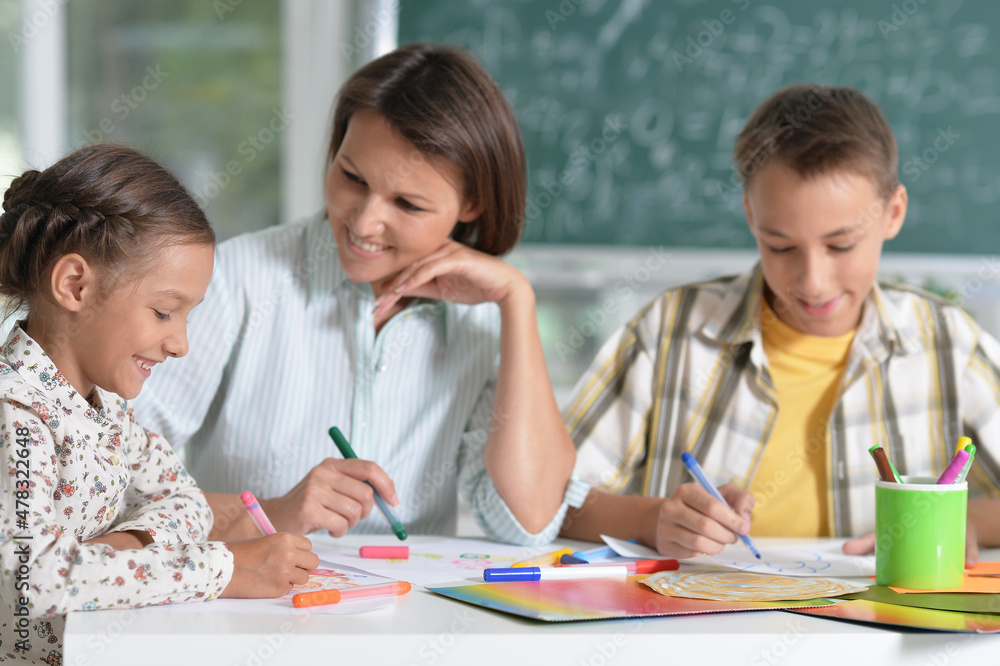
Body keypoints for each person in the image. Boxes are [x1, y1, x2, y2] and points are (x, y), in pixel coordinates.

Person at [133, 43, 583, 545]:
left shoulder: (485, 322)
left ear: (472, 204)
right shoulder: (238, 278)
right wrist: (270, 515)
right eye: (351, 177)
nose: (365, 222)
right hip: (244, 612)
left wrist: (517, 301)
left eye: (407, 204)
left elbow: (530, 521)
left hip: (408, 617)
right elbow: (115, 478)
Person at [559, 84, 1000, 564]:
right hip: (701, 631)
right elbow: (556, 500)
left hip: (881, 630)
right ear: (751, 215)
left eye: (841, 245)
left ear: (892, 213)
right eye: (781, 246)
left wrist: (961, 519)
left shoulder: (946, 342)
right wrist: (653, 519)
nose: (812, 281)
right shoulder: (670, 331)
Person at [0, 144, 318, 665]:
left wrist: (120, 547)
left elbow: (188, 503)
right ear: (75, 285)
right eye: (164, 311)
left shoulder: (106, 408)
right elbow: (32, 582)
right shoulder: (17, 414)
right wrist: (224, 569)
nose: (181, 344)